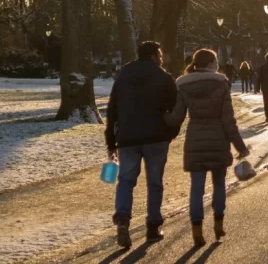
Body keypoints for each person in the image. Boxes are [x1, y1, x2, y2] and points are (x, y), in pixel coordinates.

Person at [165, 49, 249, 247]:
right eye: (216, 61)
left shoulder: (184, 85)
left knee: (197, 187)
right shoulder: (221, 84)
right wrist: (240, 146)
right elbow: (229, 120)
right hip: (218, 139)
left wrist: (159, 117)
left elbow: (176, 117)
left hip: (195, 139)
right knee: (219, 184)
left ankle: (196, 229)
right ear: (211, 63)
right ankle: (218, 224)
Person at [105, 41, 178, 248]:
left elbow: (112, 109)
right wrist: (170, 132)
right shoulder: (163, 77)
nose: (162, 58)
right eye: (160, 54)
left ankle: (122, 218)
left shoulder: (123, 77)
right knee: (154, 182)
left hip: (127, 137)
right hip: (156, 137)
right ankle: (153, 226)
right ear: (154, 56)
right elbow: (176, 108)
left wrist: (111, 139)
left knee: (126, 180)